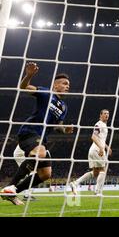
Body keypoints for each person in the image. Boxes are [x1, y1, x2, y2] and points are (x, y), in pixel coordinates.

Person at [1, 62, 73, 205]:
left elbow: (58, 126)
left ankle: (13, 191)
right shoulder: (46, 93)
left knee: (45, 174)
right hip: (30, 131)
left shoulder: (64, 107)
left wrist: (65, 130)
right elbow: (23, 87)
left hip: (42, 138)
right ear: (55, 85)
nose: (67, 86)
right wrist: (28, 76)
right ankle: (11, 186)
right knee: (40, 153)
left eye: (68, 85)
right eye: (64, 84)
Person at [69, 109, 112, 196]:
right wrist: (101, 148)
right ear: (100, 115)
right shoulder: (99, 124)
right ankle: (97, 191)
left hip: (93, 150)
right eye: (104, 113)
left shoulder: (103, 125)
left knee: (96, 172)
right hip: (97, 150)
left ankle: (75, 183)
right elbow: (93, 136)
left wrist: (107, 147)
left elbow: (100, 138)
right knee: (103, 169)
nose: (106, 115)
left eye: (108, 113)